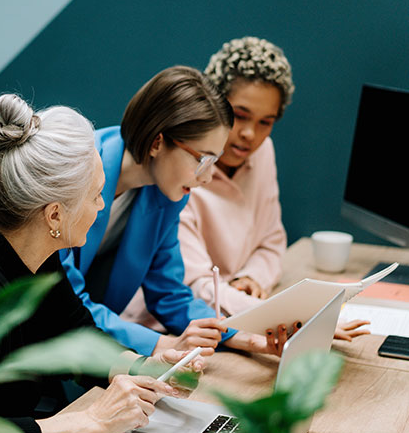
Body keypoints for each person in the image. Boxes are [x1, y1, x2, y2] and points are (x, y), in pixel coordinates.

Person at [0, 66, 289, 357]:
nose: (207, 176)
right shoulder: (78, 183)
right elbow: (74, 302)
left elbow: (170, 293)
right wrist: (159, 348)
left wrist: (242, 337)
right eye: (203, 159)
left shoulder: (165, 194)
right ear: (159, 142)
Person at [0, 93, 204, 433]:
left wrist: (149, 368)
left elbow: (79, 337)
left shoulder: (39, 256)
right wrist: (94, 420)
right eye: (96, 195)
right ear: (54, 215)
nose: (102, 206)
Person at [122, 37, 369, 341]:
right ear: (214, 106)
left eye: (266, 122)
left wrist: (250, 277)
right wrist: (289, 317)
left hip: (230, 315)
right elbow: (191, 286)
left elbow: (272, 240)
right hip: (167, 328)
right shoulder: (178, 173)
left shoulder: (263, 154)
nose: (250, 135)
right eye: (239, 116)